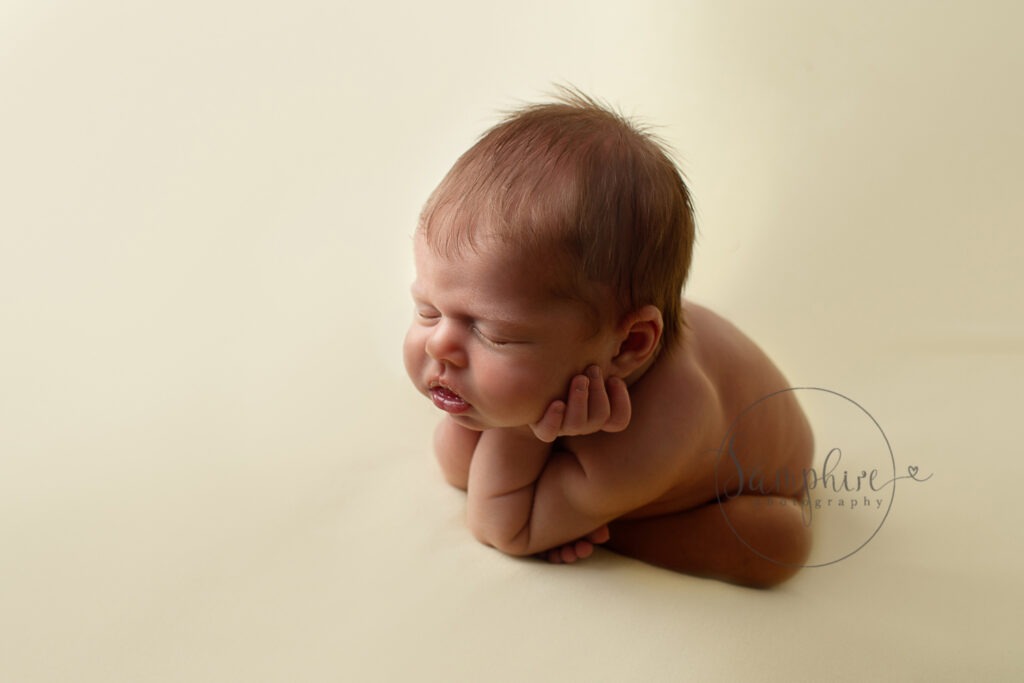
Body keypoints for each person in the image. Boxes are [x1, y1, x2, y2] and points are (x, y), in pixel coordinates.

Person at [403, 89, 813, 588]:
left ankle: (624, 529)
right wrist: (508, 417)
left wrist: (515, 431)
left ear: (628, 346)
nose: (437, 345)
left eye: (493, 333)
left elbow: (503, 527)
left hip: (740, 490)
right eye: (427, 309)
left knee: (775, 543)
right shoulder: (575, 344)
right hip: (579, 389)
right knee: (463, 459)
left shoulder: (658, 431)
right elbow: (455, 468)